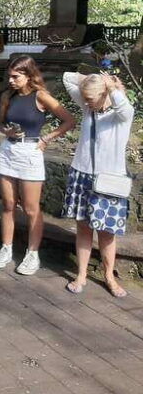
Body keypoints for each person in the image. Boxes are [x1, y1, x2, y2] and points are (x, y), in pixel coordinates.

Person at [0, 56, 76, 275]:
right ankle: (6, 248)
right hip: (9, 150)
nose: (10, 80)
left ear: (29, 75)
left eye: (15, 76)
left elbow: (69, 120)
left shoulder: (41, 96)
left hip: (30, 152)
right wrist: (5, 131)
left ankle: (32, 253)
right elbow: (1, 123)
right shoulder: (7, 96)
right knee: (8, 204)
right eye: (9, 76)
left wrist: (46, 139)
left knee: (30, 208)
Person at [61, 72, 134, 297]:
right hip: (82, 174)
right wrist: (94, 79)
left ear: (104, 95)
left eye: (91, 99)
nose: (86, 103)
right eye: (85, 98)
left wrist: (113, 88)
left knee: (107, 232)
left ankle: (109, 276)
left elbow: (125, 108)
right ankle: (81, 274)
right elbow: (66, 78)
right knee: (83, 227)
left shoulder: (121, 116)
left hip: (109, 181)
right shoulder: (87, 107)